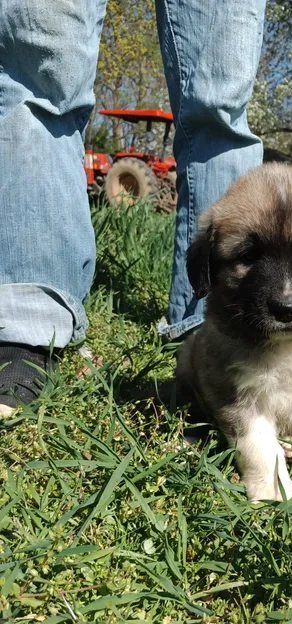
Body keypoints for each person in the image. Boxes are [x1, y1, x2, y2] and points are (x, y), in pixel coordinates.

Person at [0, 0, 266, 417]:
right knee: (41, 58)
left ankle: (218, 324)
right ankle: (32, 319)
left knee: (222, 96)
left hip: (226, 322)